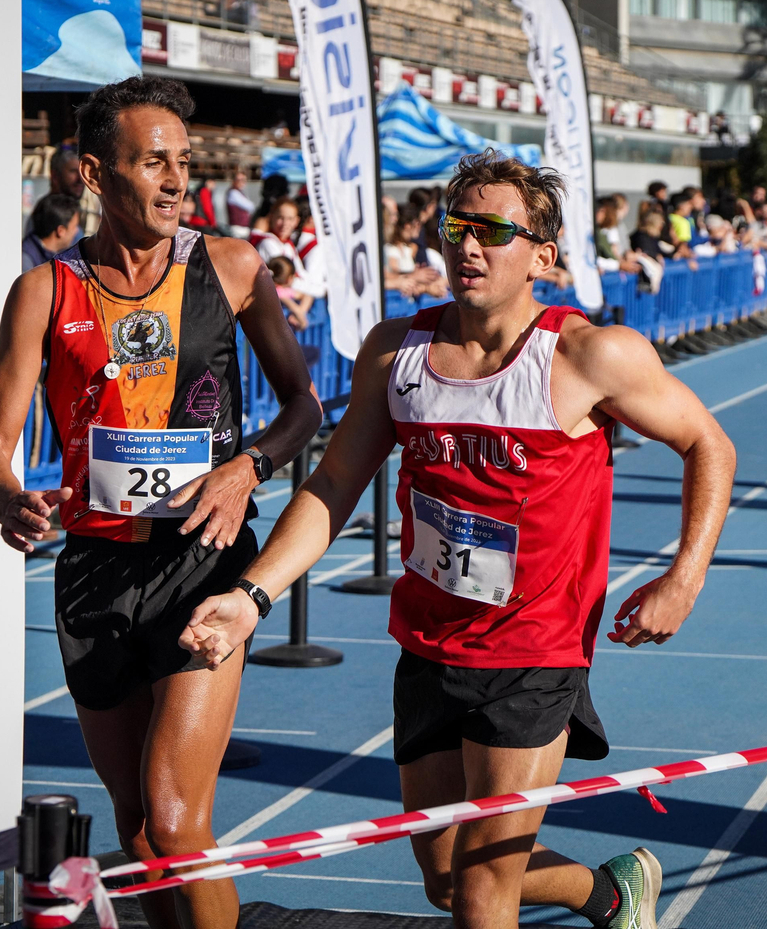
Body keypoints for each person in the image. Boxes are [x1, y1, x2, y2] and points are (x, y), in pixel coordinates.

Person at [179, 149, 736, 929]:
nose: (466, 246)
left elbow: (710, 444)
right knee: (445, 879)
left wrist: (686, 576)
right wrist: (249, 596)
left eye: (491, 230)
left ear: (542, 253)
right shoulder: (396, 352)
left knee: (481, 894)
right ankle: (609, 893)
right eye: (454, 227)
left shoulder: (588, 355)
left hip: (535, 650)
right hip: (430, 639)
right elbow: (335, 485)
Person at [0, 77, 321, 929]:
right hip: (93, 575)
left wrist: (248, 468)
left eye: (184, 162)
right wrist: (10, 502)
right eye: (152, 162)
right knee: (136, 831)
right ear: (94, 173)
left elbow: (305, 409)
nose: (175, 180)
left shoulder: (233, 266)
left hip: (201, 565)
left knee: (175, 823)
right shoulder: (44, 292)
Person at [22, 193, 82, 272]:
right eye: (74, 227)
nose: (77, 231)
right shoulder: (26, 261)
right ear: (61, 231)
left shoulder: (57, 256)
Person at [50, 150, 104, 236]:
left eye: (81, 173)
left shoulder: (82, 208)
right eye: (73, 171)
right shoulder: (46, 215)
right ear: (55, 175)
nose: (80, 179)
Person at [267, 256, 312, 330]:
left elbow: (307, 295)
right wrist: (303, 324)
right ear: (289, 279)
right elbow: (295, 309)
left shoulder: (282, 290)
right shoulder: (277, 292)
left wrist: (301, 311)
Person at [225, 169, 255, 233]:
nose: (241, 182)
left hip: (242, 228)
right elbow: (250, 206)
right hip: (238, 229)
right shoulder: (233, 193)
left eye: (243, 180)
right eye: (238, 180)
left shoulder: (240, 192)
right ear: (233, 181)